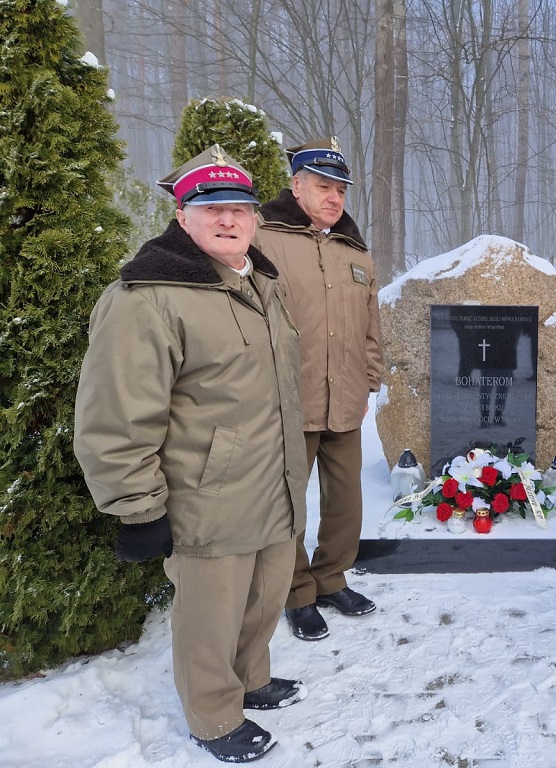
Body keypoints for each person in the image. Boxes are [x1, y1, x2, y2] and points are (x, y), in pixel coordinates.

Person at [74, 145, 309, 763]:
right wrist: (136, 506)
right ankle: (213, 716)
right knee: (211, 613)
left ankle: (251, 679)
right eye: (211, 209)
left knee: (263, 597)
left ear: (257, 218)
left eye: (240, 208)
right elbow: (117, 411)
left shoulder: (260, 283)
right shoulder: (146, 298)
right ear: (182, 218)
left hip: (274, 478)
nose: (228, 220)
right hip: (207, 493)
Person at [255, 136, 383, 641]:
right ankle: (297, 592)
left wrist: (370, 377)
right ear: (296, 185)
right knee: (290, 506)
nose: (334, 198)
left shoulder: (355, 250)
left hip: (346, 398)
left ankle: (332, 578)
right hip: (290, 399)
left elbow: (370, 322)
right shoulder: (264, 238)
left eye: (341, 190)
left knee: (345, 502)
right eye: (323, 187)